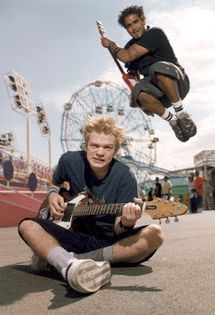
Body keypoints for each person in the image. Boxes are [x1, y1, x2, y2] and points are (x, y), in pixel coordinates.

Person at [18, 116, 164, 294]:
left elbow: (120, 229)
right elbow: (54, 183)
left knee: (155, 235)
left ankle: (67, 261)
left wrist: (127, 221)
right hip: (72, 234)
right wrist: (53, 194)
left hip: (107, 241)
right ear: (86, 145)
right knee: (27, 225)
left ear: (115, 150)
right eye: (95, 145)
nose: (100, 152)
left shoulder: (125, 176)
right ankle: (72, 264)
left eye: (107, 147)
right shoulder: (69, 161)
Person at [100, 5, 197, 142]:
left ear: (143, 20)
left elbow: (127, 56)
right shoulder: (129, 46)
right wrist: (137, 98)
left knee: (157, 68)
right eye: (129, 26)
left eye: (136, 22)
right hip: (159, 93)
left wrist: (111, 45)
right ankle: (173, 121)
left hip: (177, 83)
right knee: (138, 90)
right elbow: (134, 76)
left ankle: (181, 114)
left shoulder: (155, 33)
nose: (133, 28)